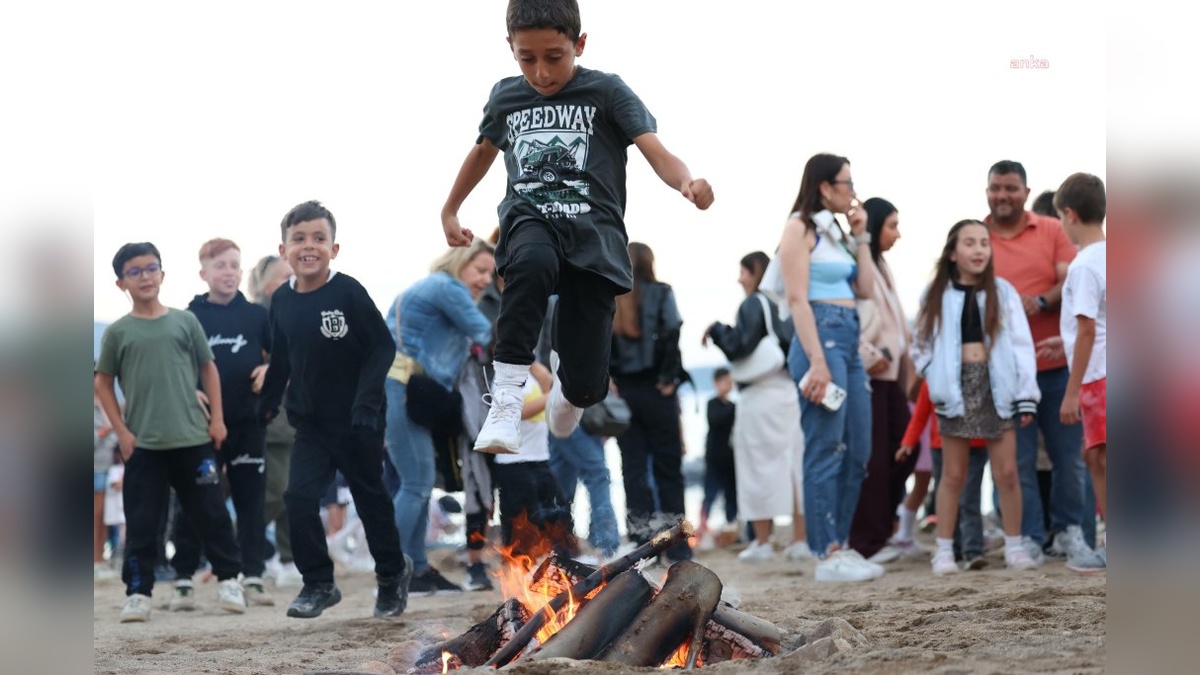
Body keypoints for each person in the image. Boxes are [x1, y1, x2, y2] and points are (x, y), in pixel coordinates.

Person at [439, 0, 713, 461]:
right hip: (532, 216)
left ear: (579, 44)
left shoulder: (607, 92)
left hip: (594, 241)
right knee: (530, 262)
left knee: (587, 388)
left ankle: (569, 389)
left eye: (554, 57)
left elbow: (656, 151)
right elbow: (483, 151)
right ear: (511, 48)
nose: (541, 72)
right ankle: (505, 399)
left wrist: (686, 181)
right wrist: (451, 208)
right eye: (527, 58)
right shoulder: (507, 96)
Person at [258, 201, 411, 619]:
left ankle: (392, 576)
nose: (309, 246)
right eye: (299, 239)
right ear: (283, 248)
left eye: (319, 239)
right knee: (298, 497)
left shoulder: (348, 291)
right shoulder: (282, 303)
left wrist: (366, 404)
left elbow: (382, 346)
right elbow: (283, 358)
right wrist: (266, 404)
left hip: (358, 420)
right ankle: (319, 583)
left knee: (370, 497)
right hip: (310, 422)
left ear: (334, 248)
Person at [94, 242, 246, 623]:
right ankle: (139, 593)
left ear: (162, 273)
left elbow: (208, 369)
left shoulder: (184, 322)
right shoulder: (118, 332)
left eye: (151, 268)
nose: (145, 276)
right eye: (135, 271)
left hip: (194, 439)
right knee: (143, 522)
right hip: (143, 444)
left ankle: (230, 579)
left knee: (211, 513)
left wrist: (217, 420)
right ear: (120, 283)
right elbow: (102, 383)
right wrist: (122, 433)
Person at [983, 161, 1104, 571]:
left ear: (1024, 190)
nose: (1004, 195)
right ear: (987, 191)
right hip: (1005, 370)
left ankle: (1075, 534)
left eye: (1011, 188)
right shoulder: (977, 236)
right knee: (1016, 460)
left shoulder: (1051, 230)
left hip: (1059, 368)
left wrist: (1037, 302)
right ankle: (1029, 538)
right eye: (996, 188)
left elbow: (1068, 279)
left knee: (1072, 455)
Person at [911, 220, 1041, 575]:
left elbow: (1021, 345)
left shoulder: (1004, 292)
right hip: (954, 387)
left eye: (984, 242)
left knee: (1008, 472)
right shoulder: (934, 294)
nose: (979, 249)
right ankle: (943, 552)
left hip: (997, 386)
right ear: (953, 252)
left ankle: (1014, 547)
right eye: (970, 243)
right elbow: (919, 344)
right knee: (952, 475)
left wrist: (1027, 393)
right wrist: (933, 375)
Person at [777, 154, 880, 583]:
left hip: (849, 335)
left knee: (858, 449)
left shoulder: (836, 231)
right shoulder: (798, 228)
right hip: (820, 337)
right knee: (825, 446)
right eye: (846, 182)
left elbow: (866, 288)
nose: (852, 191)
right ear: (824, 186)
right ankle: (826, 550)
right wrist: (817, 360)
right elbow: (797, 299)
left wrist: (862, 238)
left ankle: (842, 543)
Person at [385, 239, 495, 596]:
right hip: (400, 385)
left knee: (418, 480)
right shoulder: (446, 286)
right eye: (480, 270)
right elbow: (487, 334)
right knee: (416, 482)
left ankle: (416, 569)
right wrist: (538, 366)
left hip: (403, 387)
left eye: (490, 275)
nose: (485, 280)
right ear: (459, 262)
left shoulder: (432, 288)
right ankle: (395, 573)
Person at [169, 238, 274, 608]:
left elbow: (282, 357)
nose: (228, 272)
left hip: (249, 421)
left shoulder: (259, 315)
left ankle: (254, 575)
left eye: (234, 265)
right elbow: (175, 365)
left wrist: (269, 367)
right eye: (220, 266)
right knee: (194, 499)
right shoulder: (188, 316)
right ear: (204, 273)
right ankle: (183, 576)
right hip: (200, 426)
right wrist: (188, 389)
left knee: (250, 501)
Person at [703, 252, 807, 564]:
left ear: (755, 273)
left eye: (744, 273)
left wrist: (718, 329)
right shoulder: (786, 303)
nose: (740, 279)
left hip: (759, 396)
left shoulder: (753, 304)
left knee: (757, 467)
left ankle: (763, 541)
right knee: (794, 467)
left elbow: (740, 346)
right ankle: (800, 541)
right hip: (788, 392)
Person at [610, 242, 692, 561]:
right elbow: (672, 331)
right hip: (658, 392)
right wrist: (669, 377)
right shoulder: (661, 291)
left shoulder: (612, 296)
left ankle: (642, 543)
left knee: (633, 469)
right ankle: (679, 543)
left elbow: (601, 341)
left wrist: (610, 379)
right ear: (649, 262)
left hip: (625, 394)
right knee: (668, 468)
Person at [849, 198, 915, 563]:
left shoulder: (880, 263)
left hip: (893, 376)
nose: (898, 233)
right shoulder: (860, 262)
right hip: (873, 373)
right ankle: (867, 542)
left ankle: (881, 529)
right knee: (874, 458)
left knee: (904, 449)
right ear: (875, 226)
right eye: (892, 225)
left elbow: (895, 323)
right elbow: (853, 314)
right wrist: (870, 356)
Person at [1055, 173, 1107, 569]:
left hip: (1098, 375)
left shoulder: (1084, 266)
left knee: (1100, 458)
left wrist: (1071, 392)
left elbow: (1088, 327)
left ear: (1069, 215)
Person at [247, 254, 303, 588]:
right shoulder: (258, 318)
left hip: (295, 416)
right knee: (275, 492)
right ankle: (246, 550)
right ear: (264, 284)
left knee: (291, 492)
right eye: (283, 277)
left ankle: (287, 558)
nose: (290, 282)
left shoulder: (294, 314)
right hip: (268, 418)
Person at [896, 381, 990, 568]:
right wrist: (908, 442)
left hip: (976, 444)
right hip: (941, 447)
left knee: (970, 497)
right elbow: (921, 413)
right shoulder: (935, 377)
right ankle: (953, 548)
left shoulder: (981, 374)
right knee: (949, 498)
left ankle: (972, 549)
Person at [493, 362, 578, 557]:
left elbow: (547, 381)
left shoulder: (529, 370)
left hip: (539, 457)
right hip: (514, 462)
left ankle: (565, 559)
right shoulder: (504, 376)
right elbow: (518, 412)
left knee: (559, 513)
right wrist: (553, 396)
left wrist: (530, 362)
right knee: (521, 522)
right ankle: (519, 567)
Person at [697, 367, 737, 548]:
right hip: (713, 457)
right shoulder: (713, 404)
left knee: (731, 494)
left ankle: (731, 526)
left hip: (730, 457)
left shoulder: (733, 406)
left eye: (730, 382)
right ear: (716, 383)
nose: (728, 385)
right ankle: (702, 528)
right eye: (725, 381)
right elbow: (716, 420)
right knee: (710, 494)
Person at [94, 395, 119, 582]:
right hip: (94, 466)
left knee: (103, 516)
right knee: (95, 515)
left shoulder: (106, 402)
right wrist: (105, 431)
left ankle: (100, 560)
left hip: (109, 467)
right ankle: (95, 561)